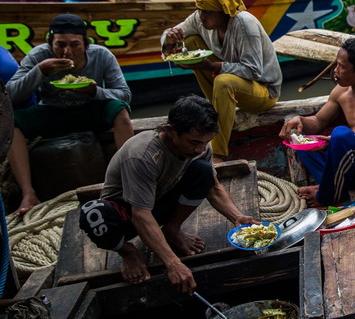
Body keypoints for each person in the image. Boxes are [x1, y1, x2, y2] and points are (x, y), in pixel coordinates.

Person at [78, 95, 257, 293]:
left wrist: (237, 216)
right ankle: (127, 251)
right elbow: (140, 214)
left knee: (204, 171)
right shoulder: (143, 155)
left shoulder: (200, 147)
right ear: (171, 131)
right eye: (194, 142)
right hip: (126, 213)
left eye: (205, 142)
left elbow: (213, 187)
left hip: (158, 202)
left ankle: (172, 229)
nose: (200, 148)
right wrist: (173, 263)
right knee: (92, 213)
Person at [6, 13, 134, 216]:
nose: (67, 52)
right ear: (51, 44)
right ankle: (28, 193)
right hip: (53, 111)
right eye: (60, 45)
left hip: (89, 109)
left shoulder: (102, 55)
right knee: (10, 123)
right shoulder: (39, 55)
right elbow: (10, 95)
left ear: (86, 44)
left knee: (120, 110)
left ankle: (128, 179)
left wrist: (94, 92)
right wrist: (40, 72)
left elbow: (125, 94)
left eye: (75, 45)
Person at [161, 0, 282, 162]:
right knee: (191, 41)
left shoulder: (244, 24)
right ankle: (217, 109)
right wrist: (170, 39)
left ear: (224, 11)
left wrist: (213, 66)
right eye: (200, 10)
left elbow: (254, 70)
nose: (201, 16)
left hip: (263, 90)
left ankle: (218, 154)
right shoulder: (199, 19)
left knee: (223, 81)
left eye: (208, 12)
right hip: (230, 84)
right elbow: (175, 32)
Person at [279, 37, 355, 208]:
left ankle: (329, 195)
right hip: (352, 166)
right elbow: (319, 121)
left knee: (341, 135)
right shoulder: (342, 90)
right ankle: (331, 186)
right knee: (302, 139)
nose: (336, 71)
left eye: (342, 67)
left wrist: (339, 142)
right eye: (336, 64)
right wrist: (300, 121)